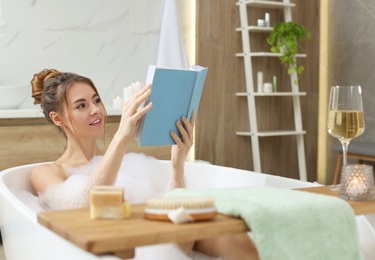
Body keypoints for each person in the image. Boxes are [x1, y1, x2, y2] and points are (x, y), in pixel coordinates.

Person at [30, 69, 259, 260]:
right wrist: (121, 136)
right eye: (81, 106)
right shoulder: (46, 172)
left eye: (96, 100)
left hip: (162, 242)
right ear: (57, 119)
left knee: (231, 235)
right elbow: (82, 205)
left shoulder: (129, 165)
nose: (96, 110)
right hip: (123, 247)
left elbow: (170, 207)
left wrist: (177, 165)